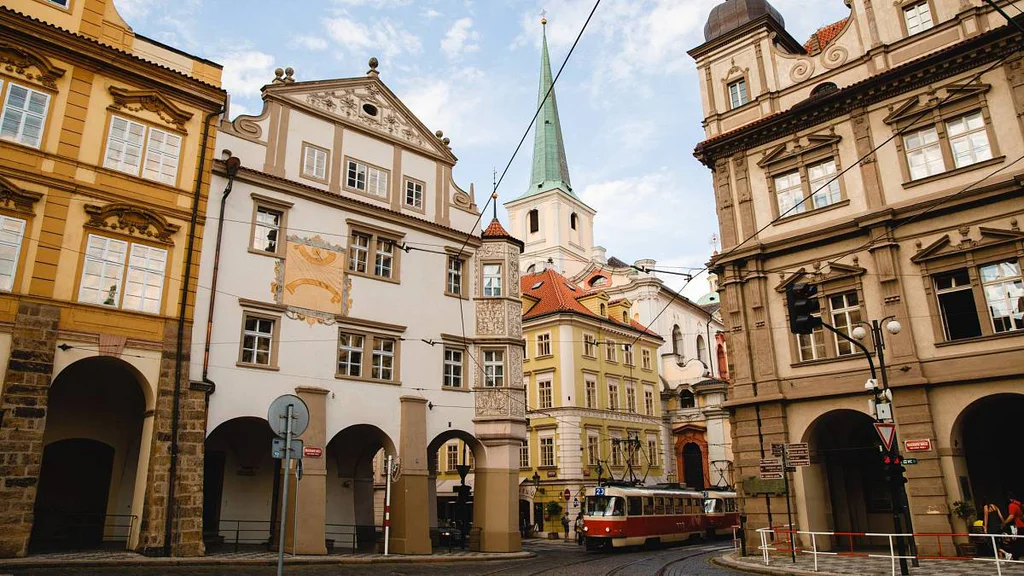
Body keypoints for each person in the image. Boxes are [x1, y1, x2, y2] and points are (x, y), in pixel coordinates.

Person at [1003, 492, 1024, 557]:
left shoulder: (1012, 505)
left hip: (1018, 525)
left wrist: (1004, 523)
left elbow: (1011, 516)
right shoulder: (1019, 505)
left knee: (1016, 542)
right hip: (1021, 524)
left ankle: (1015, 556)